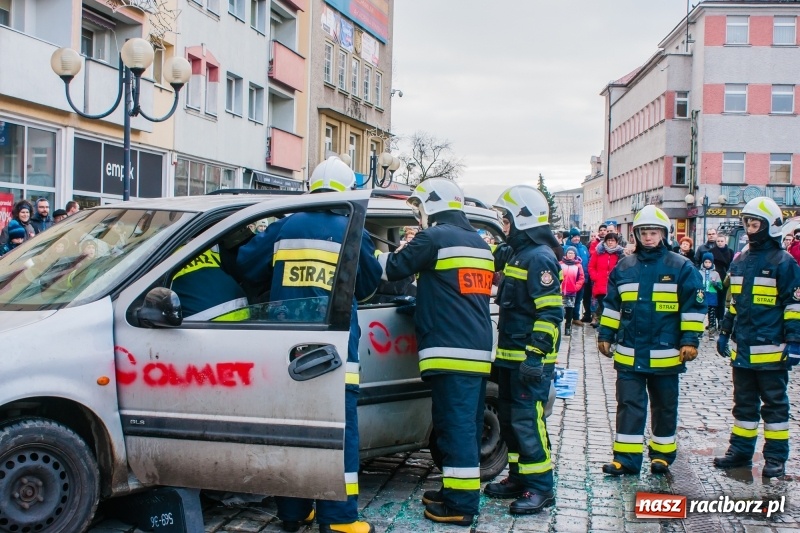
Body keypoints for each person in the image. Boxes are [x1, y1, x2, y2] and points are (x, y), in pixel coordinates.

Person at [237, 156, 381, 533]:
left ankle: (294, 512)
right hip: (336, 352)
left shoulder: (286, 226)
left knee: (292, 432)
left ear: (311, 188)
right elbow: (369, 286)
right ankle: (340, 519)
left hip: (286, 349)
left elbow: (247, 266)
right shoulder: (354, 229)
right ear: (348, 191)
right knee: (340, 435)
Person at [376, 178, 493, 527]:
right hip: (475, 347)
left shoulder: (434, 238)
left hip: (450, 348)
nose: (419, 215)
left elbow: (392, 269)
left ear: (432, 205)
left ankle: (461, 505)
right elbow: (455, 293)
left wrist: (367, 251)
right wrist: (424, 303)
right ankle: (454, 490)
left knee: (455, 429)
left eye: (420, 207)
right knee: (464, 426)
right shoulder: (479, 243)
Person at [597, 205, 705, 476]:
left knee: (664, 406)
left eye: (654, 232)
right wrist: (605, 335)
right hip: (630, 353)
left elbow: (693, 307)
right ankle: (626, 459)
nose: (648, 237)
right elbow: (612, 306)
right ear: (636, 234)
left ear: (664, 234)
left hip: (666, 353)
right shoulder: (624, 267)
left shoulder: (681, 267)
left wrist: (690, 340)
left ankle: (662, 456)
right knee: (628, 406)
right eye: (644, 232)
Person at [483, 185, 563, 514]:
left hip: (528, 361)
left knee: (529, 422)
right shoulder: (519, 254)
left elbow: (550, 313)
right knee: (511, 421)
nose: (504, 225)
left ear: (522, 220)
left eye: (506, 219)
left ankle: (541, 487)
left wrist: (535, 356)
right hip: (509, 357)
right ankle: (518, 477)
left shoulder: (540, 258)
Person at [714, 196, 800, 479]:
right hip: (743, 348)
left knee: (775, 406)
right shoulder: (740, 261)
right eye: (748, 224)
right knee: (743, 404)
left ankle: (775, 457)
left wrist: (795, 342)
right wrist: (725, 333)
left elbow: (794, 305)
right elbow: (734, 303)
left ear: (770, 226)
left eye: (755, 224)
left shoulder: (784, 262)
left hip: (772, 349)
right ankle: (740, 452)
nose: (750, 229)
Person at [171, 247, 249, 321]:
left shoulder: (168, 260)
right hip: (241, 309)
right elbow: (238, 271)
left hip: (204, 323)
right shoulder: (203, 247)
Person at [588, 232, 624, 328]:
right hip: (600, 285)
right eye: (609, 240)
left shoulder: (620, 254)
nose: (610, 242)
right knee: (603, 306)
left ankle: (608, 326)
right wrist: (595, 277)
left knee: (612, 308)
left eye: (613, 240)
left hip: (613, 286)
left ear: (617, 242)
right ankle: (603, 326)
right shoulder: (598, 252)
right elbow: (591, 266)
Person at [563, 228, 589, 326]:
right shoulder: (565, 248)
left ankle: (576, 317)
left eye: (578, 236)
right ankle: (568, 318)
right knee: (568, 301)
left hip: (582, 279)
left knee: (578, 299)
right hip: (570, 280)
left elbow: (588, 261)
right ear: (571, 237)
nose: (577, 238)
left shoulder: (584, 248)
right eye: (574, 237)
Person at [711, 234, 734, 338]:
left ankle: (721, 320)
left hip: (725, 278)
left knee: (722, 301)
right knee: (715, 301)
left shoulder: (730, 252)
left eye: (721, 241)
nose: (720, 243)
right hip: (715, 278)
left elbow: (731, 264)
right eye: (718, 241)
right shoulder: (712, 251)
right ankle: (714, 321)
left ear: (725, 241)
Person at [560, 246, 584, 337]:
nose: (570, 255)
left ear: (575, 255)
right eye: (569, 253)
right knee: (560, 309)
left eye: (572, 253)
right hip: (560, 291)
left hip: (571, 291)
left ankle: (568, 327)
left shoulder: (578, 266)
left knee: (569, 310)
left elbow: (581, 278)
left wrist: (576, 287)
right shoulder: (561, 264)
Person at [699, 252, 723, 339]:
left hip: (712, 297)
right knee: (700, 315)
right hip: (702, 296)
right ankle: (699, 331)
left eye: (709, 262)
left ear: (712, 263)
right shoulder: (699, 272)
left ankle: (711, 332)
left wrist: (715, 283)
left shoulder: (716, 274)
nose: (707, 264)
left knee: (712, 316)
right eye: (706, 262)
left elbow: (720, 286)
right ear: (703, 262)